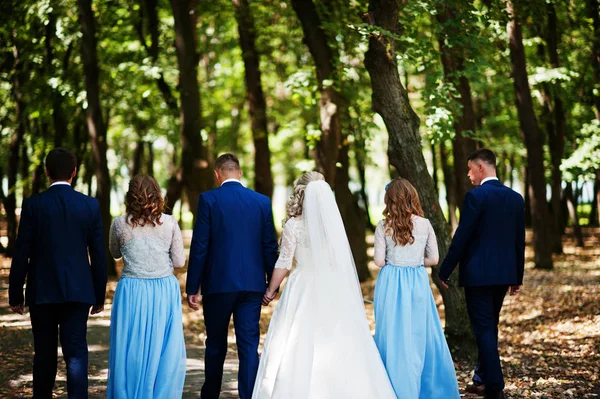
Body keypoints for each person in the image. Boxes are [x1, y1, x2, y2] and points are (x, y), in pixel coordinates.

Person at [252, 172, 396, 399]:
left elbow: (284, 262)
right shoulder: (331, 226)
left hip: (303, 286)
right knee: (340, 337)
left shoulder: (294, 225)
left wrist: (270, 290)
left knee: (298, 339)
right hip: (332, 285)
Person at [8, 147, 107, 398]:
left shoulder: (33, 205)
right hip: (78, 291)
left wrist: (15, 293)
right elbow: (98, 254)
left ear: (46, 172)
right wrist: (99, 294)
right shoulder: (89, 206)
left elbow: (22, 252)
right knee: (76, 352)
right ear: (74, 172)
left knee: (44, 353)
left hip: (42, 291)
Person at [186, 153, 279, 399]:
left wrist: (192, 286)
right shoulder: (261, 202)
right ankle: (249, 396)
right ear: (239, 172)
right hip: (252, 285)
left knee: (215, 343)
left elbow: (200, 246)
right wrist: (272, 284)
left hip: (218, 284)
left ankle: (211, 395)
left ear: (217, 174)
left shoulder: (208, 199)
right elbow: (269, 245)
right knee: (249, 345)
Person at [439, 148, 525, 399]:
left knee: (484, 329)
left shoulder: (476, 197)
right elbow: (519, 241)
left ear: (480, 167)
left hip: (478, 276)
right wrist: (516, 276)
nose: (468, 174)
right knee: (489, 327)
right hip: (503, 275)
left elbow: (462, 237)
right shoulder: (515, 198)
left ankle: (495, 386)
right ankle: (481, 377)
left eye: (469, 168)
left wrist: (445, 270)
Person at [372, 178, 460, 399]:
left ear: (390, 200)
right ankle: (427, 388)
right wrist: (414, 260)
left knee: (391, 333)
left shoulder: (384, 226)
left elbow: (379, 261)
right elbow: (434, 258)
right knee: (420, 332)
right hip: (417, 281)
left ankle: (391, 387)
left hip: (391, 282)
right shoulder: (425, 224)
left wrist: (397, 259)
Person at [106, 175, 187, 398]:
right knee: (164, 347)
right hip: (163, 290)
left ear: (130, 196)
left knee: (129, 346)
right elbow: (179, 262)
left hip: (132, 289)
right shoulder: (169, 222)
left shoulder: (119, 223)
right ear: (157, 194)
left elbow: (114, 253)